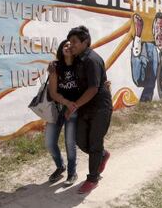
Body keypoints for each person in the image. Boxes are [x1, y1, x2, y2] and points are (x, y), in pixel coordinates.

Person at [66, 26, 112, 194]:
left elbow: (93, 89)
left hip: (100, 107)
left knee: (94, 142)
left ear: (85, 42)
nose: (71, 45)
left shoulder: (92, 59)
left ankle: (92, 178)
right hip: (86, 106)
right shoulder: (77, 59)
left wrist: (74, 106)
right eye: (70, 42)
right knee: (80, 140)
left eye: (75, 42)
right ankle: (102, 154)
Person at [46, 39, 79, 186]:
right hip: (57, 109)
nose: (68, 47)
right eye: (65, 45)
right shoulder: (56, 66)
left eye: (71, 45)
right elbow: (53, 93)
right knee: (49, 142)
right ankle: (60, 166)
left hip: (74, 110)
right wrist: (66, 103)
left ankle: (72, 173)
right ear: (61, 48)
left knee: (70, 143)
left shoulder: (81, 65)